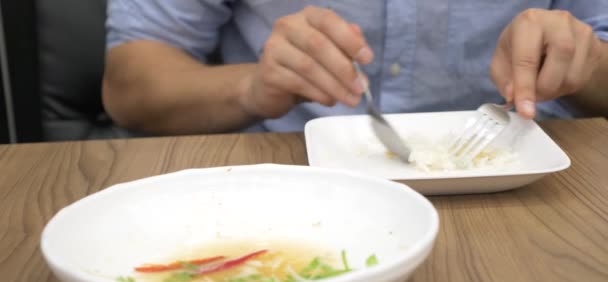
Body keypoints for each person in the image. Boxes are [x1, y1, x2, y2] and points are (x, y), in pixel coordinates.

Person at [103, 1, 608, 135]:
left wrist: (581, 62)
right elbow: (130, 86)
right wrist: (253, 87)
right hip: (290, 182)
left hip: (525, 187)